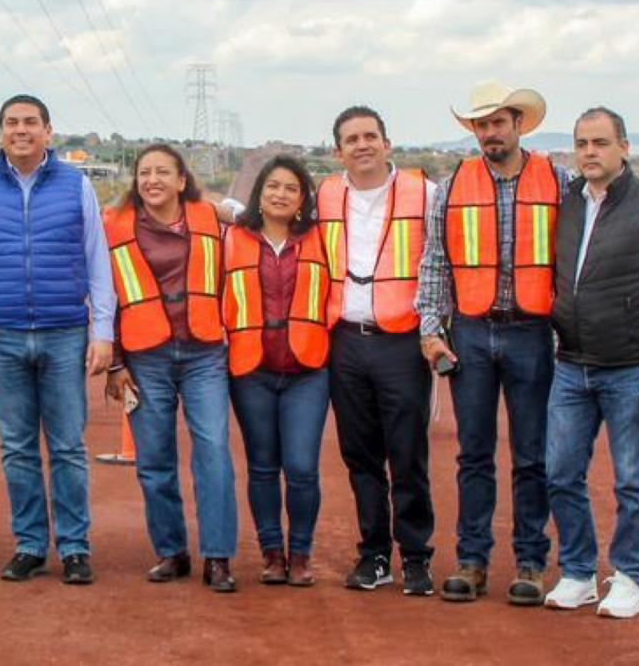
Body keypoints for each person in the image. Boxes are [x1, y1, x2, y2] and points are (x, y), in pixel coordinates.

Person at [0, 94, 115, 585]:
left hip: (64, 332)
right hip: (1, 334)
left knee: (67, 447)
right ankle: (31, 545)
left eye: (31, 122)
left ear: (48, 131)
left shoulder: (76, 185)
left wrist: (103, 330)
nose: (22, 130)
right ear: (0, 132)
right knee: (17, 447)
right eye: (12, 123)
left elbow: (96, 259)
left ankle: (76, 548)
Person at [417, 81, 571, 605]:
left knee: (532, 455)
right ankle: (472, 561)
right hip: (473, 334)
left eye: (498, 123)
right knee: (474, 453)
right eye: (481, 125)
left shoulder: (560, 182)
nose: (489, 134)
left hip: (532, 333)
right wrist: (430, 330)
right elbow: (435, 261)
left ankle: (531, 562)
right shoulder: (453, 186)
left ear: (519, 124)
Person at [543, 107, 639, 619]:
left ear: (623, 146)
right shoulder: (568, 203)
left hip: (629, 364)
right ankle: (579, 572)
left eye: (600, 142)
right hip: (570, 362)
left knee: (632, 478)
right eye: (582, 143)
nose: (590, 152)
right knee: (559, 472)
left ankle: (629, 577)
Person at [316, 106, 439, 595]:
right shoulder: (324, 195)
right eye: (352, 139)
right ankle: (374, 554)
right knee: (360, 454)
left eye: (371, 136)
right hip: (345, 341)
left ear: (388, 144)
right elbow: (266, 212)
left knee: (407, 453)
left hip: (401, 342)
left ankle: (416, 556)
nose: (362, 145)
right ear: (337, 151)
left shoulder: (425, 194)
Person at [103, 144, 237, 592]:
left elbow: (254, 218)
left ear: (183, 180)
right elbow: (107, 299)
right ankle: (171, 551)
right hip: (145, 357)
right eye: (144, 172)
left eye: (163, 172)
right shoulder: (114, 226)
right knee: (154, 459)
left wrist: (229, 205)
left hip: (204, 353)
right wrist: (116, 363)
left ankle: (218, 556)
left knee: (213, 452)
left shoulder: (211, 218)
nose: (152, 180)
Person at [223, 155, 331, 588]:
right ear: (259, 193)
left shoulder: (322, 240)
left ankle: (301, 553)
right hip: (252, 369)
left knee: (302, 466)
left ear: (302, 197)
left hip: (307, 369)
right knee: (263, 466)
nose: (280, 194)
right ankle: (272, 553)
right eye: (273, 186)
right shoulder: (233, 238)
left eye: (290, 187)